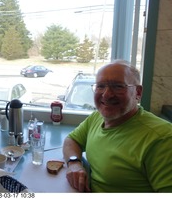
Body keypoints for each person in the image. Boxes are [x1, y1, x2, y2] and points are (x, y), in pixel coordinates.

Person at [63, 60, 172, 192]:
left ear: (137, 92)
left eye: (118, 86)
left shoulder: (162, 139)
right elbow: (72, 140)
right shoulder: (97, 117)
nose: (107, 94)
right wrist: (74, 163)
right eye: (100, 86)